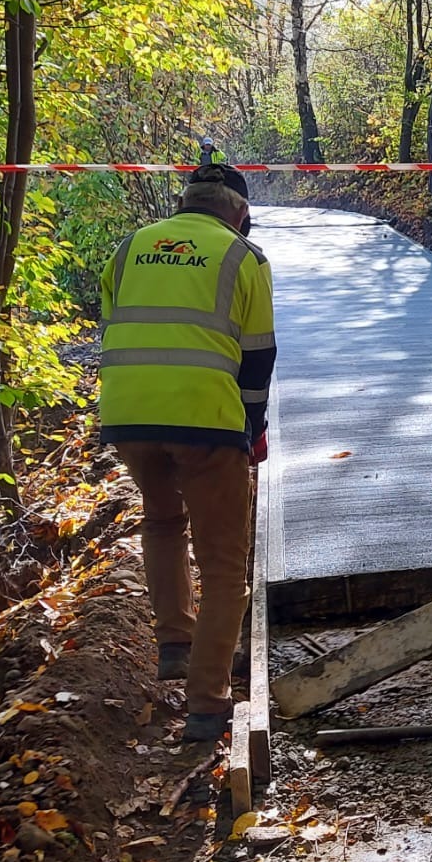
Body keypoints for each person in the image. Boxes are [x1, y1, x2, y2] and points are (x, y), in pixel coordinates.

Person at [98, 164, 276, 743]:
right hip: (206, 418)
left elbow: (115, 324)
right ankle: (207, 702)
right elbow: (257, 357)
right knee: (225, 562)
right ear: (239, 213)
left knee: (163, 521)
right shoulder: (244, 258)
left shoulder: (129, 249)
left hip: (128, 415)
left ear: (184, 203)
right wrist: (254, 428)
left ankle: (175, 642)